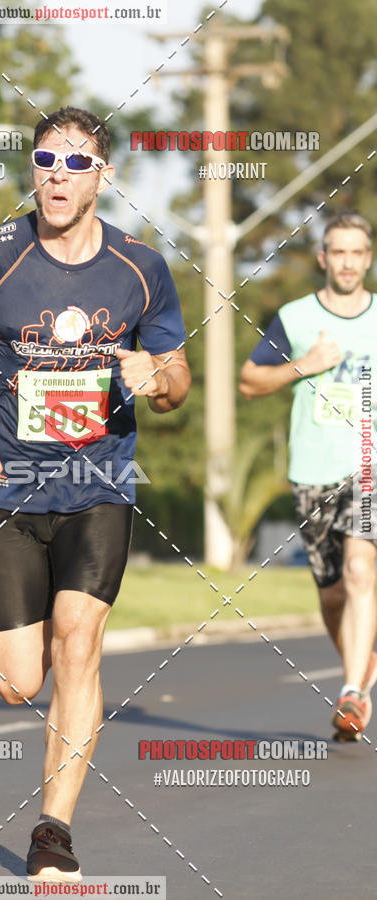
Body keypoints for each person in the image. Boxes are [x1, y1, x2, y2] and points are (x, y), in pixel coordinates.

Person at [0, 106, 190, 881]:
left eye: (76, 163)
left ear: (103, 176)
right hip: (11, 486)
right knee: (17, 682)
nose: (57, 175)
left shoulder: (141, 267)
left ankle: (53, 831)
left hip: (99, 481)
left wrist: (159, 376)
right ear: (33, 169)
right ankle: (26, 647)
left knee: (80, 637)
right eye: (45, 160)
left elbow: (176, 380)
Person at [240, 211, 377, 742]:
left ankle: (349, 691)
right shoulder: (295, 318)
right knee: (332, 593)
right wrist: (307, 364)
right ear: (324, 259)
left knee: (363, 570)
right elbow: (250, 381)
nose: (347, 262)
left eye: (356, 252)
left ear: (367, 258)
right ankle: (359, 676)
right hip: (312, 472)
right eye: (337, 252)